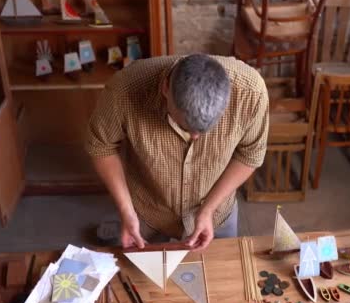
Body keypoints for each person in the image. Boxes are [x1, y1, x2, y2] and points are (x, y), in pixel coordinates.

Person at [87, 54, 268, 252]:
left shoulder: (250, 93)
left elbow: (250, 155)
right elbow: (101, 147)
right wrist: (126, 211)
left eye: (205, 130)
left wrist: (208, 209)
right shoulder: (123, 90)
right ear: (166, 88)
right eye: (183, 126)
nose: (195, 137)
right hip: (148, 211)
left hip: (218, 211)